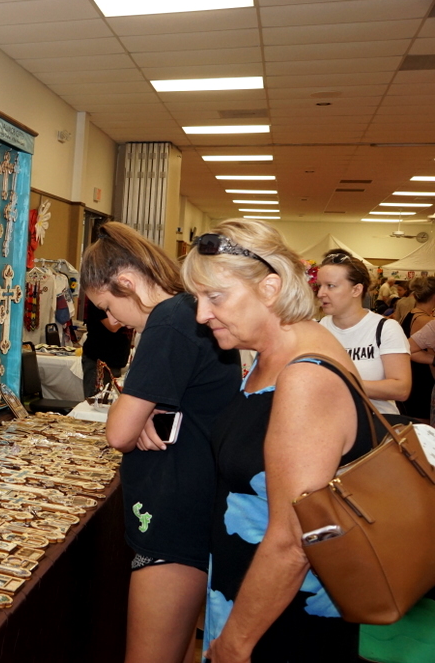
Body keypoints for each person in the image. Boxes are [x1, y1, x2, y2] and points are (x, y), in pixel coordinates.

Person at [182, 220, 374, 662]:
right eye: (197, 299)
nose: (201, 315)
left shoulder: (304, 376)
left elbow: (293, 539)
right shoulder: (272, 357)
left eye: (215, 297)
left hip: (280, 620)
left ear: (270, 289)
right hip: (250, 598)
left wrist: (236, 643)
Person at [80, 222, 241, 663]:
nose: (113, 320)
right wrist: (146, 411)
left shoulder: (169, 320)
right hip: (186, 503)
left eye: (108, 306)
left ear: (126, 282)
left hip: (175, 514)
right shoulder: (184, 314)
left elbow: (118, 433)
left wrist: (137, 414)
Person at [316, 249, 410, 414]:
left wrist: (341, 382)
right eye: (319, 286)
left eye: (330, 286)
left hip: (376, 422)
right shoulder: (316, 330)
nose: (321, 293)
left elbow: (401, 388)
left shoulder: (385, 328)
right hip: (327, 421)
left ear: (356, 290)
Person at [398, 275, 435, 420]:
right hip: (422, 380)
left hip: (412, 374)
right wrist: (432, 359)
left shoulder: (411, 313)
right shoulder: (426, 320)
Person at [81, 296, 131, 398]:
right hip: (98, 360)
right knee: (95, 400)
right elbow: (112, 326)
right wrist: (130, 317)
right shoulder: (98, 299)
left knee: (111, 400)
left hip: (117, 360)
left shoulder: (123, 299)